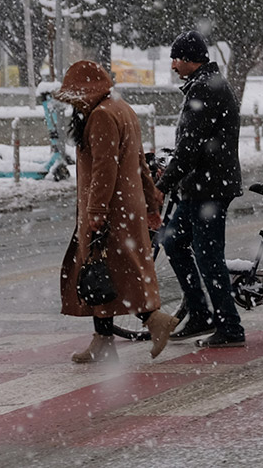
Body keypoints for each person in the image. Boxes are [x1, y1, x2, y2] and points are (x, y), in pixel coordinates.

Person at [56, 60, 178, 364]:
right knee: (114, 274)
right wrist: (151, 204)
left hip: (109, 210)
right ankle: (105, 338)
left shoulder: (101, 116)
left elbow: (104, 169)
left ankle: (151, 321)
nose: (73, 104)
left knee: (103, 274)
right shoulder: (121, 109)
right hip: (127, 206)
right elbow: (139, 162)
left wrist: (96, 211)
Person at [155, 30, 246, 348]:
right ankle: (200, 312)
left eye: (175, 58)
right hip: (200, 186)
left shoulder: (205, 89)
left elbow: (190, 147)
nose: (172, 65)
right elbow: (191, 142)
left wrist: (162, 184)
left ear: (188, 59)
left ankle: (229, 327)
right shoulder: (205, 84)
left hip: (208, 188)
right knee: (173, 241)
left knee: (209, 258)